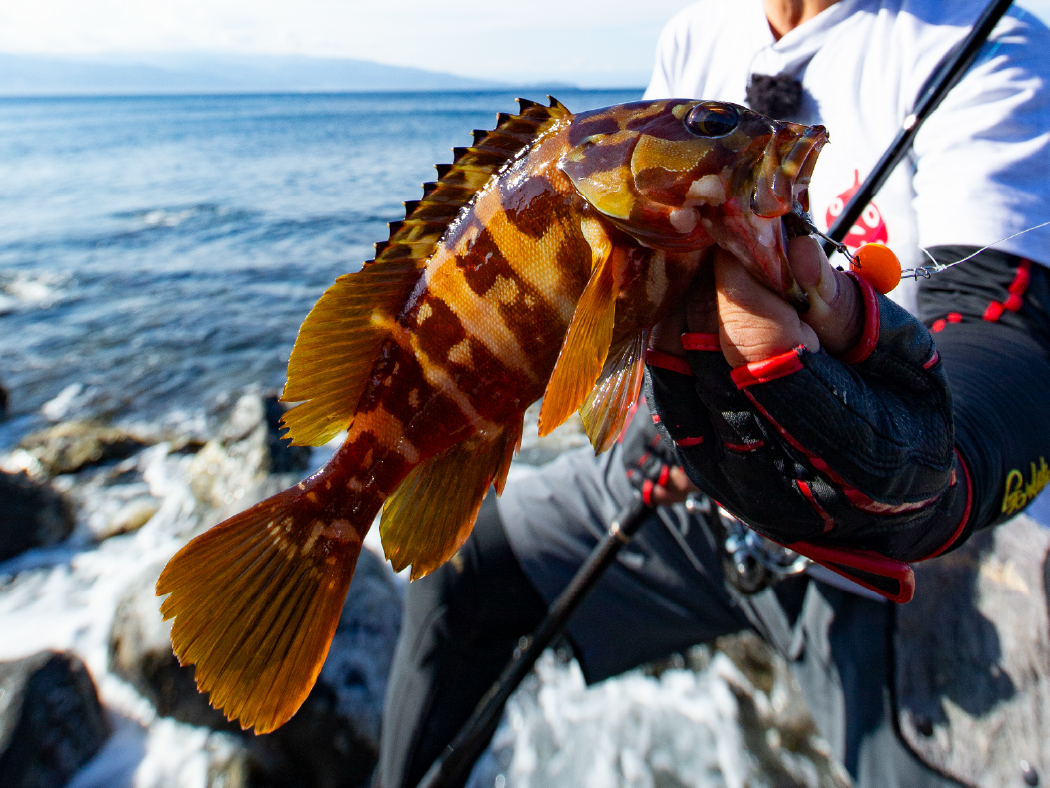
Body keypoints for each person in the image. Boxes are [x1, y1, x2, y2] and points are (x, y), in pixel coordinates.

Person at [378, 1, 1050, 786]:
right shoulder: (698, 34)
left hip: (909, 568)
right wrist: (640, 409)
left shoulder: (992, 46)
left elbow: (1011, 332)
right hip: (690, 493)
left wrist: (933, 483)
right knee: (464, 578)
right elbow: (627, 292)